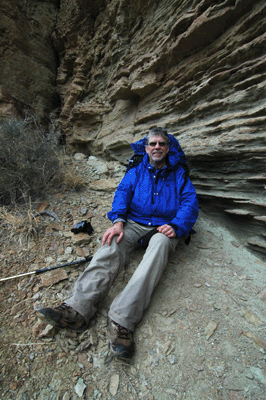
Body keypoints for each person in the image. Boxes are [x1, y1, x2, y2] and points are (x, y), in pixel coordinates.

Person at [38, 127, 199, 358]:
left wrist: (175, 225)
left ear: (167, 147)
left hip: (163, 226)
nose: (157, 148)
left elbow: (190, 204)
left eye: (161, 144)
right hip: (134, 222)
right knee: (112, 243)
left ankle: (122, 320)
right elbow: (122, 193)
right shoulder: (136, 169)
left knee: (160, 246)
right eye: (152, 144)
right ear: (146, 148)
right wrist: (118, 220)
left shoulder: (178, 174)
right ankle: (77, 308)